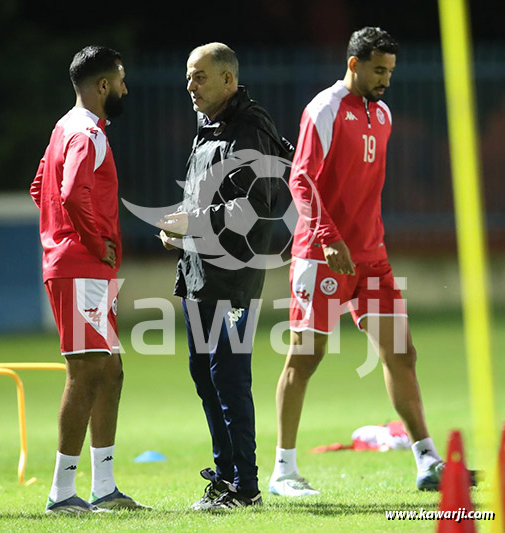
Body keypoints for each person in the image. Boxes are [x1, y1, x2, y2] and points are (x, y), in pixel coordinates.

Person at [269, 27, 469, 496]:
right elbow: (301, 180)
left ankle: (427, 460)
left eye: (391, 71)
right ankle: (283, 472)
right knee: (305, 356)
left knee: (401, 353)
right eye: (379, 70)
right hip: (321, 257)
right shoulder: (324, 108)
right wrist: (327, 237)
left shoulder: (382, 113)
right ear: (354, 64)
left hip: (371, 260)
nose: (386, 80)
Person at [158, 42, 293, 509]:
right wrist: (180, 227)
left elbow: (258, 205)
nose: (189, 86)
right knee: (205, 374)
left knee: (229, 375)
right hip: (200, 273)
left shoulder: (249, 127)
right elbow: (208, 196)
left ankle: (246, 487)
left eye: (199, 77)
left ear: (228, 80)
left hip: (234, 276)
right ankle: (226, 476)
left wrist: (192, 225)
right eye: (188, 76)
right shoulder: (209, 124)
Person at [30, 45, 148, 513]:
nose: (124, 87)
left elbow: (40, 188)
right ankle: (62, 493)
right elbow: (69, 193)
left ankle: (104, 487)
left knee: (110, 370)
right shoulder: (87, 135)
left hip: (84, 268)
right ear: (103, 85)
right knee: (85, 372)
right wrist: (94, 243)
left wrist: (63, 235)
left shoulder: (65, 127)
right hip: (81, 266)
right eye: (120, 79)